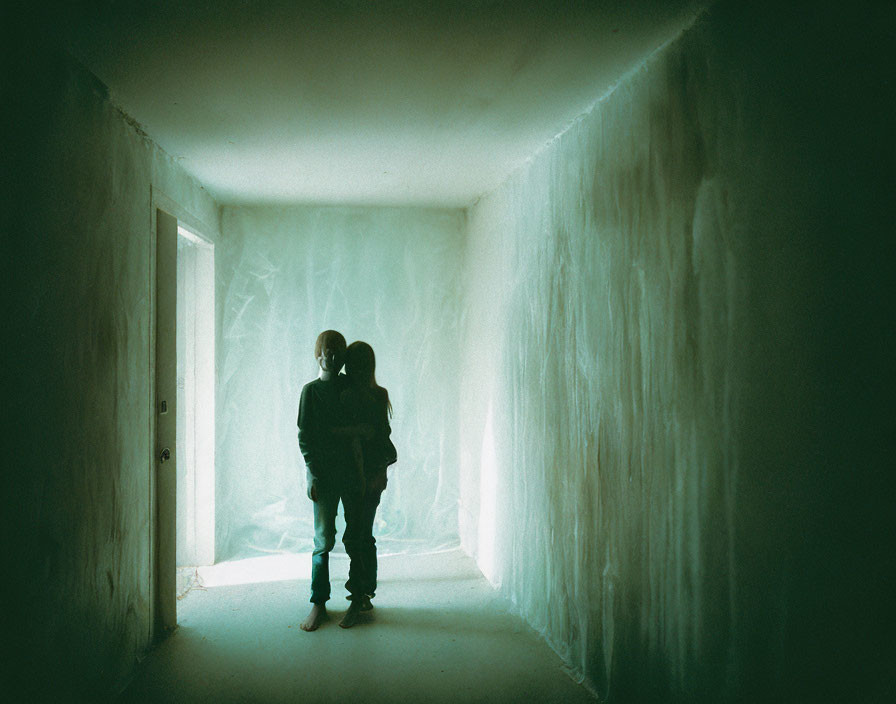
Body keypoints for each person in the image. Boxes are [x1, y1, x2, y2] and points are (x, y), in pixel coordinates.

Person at [297, 330, 369, 631]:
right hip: (324, 476)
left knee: (355, 537)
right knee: (322, 541)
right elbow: (305, 437)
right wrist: (313, 473)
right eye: (327, 349)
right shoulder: (310, 391)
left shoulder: (348, 386)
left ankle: (357, 599)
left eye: (338, 350)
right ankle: (318, 604)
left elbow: (359, 425)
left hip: (351, 473)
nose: (332, 355)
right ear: (318, 353)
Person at [335, 340, 397, 627]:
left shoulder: (362, 395)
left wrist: (379, 474)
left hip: (368, 475)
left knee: (358, 535)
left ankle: (358, 594)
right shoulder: (354, 394)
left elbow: (380, 436)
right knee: (359, 535)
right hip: (356, 474)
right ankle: (363, 591)